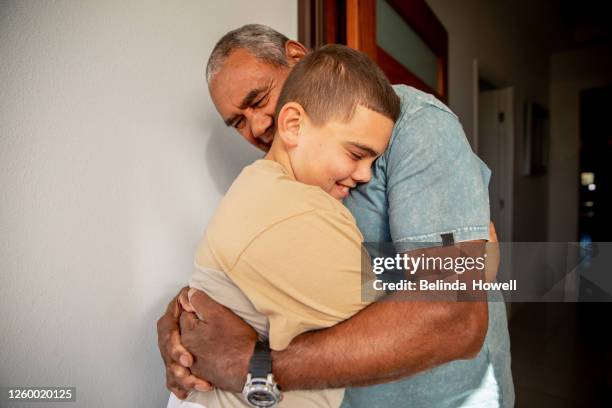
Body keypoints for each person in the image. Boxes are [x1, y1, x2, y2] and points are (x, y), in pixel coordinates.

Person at [158, 24, 514, 408]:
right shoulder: (281, 182)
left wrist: (253, 364)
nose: (258, 125)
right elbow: (245, 282)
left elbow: (453, 315)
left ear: (296, 56)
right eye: (239, 122)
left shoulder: (416, 123)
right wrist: (180, 325)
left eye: (259, 99)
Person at [170, 44, 399, 408]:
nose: (366, 175)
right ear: (293, 125)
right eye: (356, 154)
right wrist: (471, 263)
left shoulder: (266, 189)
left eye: (374, 159)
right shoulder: (294, 209)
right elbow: (395, 325)